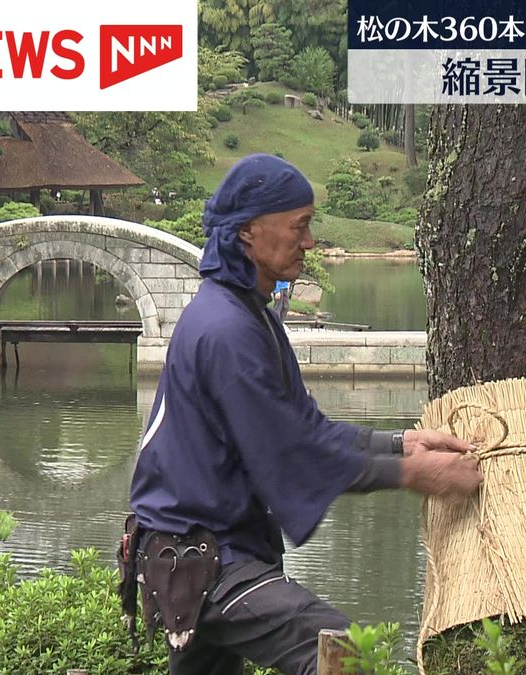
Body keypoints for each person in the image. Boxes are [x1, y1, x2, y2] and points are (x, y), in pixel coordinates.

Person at [122, 154, 483, 675]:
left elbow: (305, 429)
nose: (309, 243)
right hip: (203, 557)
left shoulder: (245, 313)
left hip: (202, 551)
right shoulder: (227, 329)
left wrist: (401, 443)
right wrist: (414, 474)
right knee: (342, 652)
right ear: (248, 230)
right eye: (300, 226)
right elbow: (289, 454)